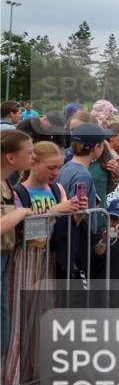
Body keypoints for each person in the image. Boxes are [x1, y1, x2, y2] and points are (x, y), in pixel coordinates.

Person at [3, 141, 83, 385]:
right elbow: (23, 230)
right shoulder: (19, 193)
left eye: (59, 167)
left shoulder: (58, 190)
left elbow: (62, 229)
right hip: (23, 260)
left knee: (40, 322)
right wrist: (57, 210)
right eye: (51, 167)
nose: (56, 173)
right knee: (17, 323)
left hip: (47, 259)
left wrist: (75, 213)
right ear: (33, 162)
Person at [55, 122, 113, 282]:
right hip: (79, 238)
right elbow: (76, 211)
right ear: (96, 147)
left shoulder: (66, 167)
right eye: (103, 144)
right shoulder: (83, 175)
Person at [1, 130, 35, 356]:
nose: (34, 156)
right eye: (29, 152)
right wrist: (22, 212)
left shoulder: (6, 182)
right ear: (11, 157)